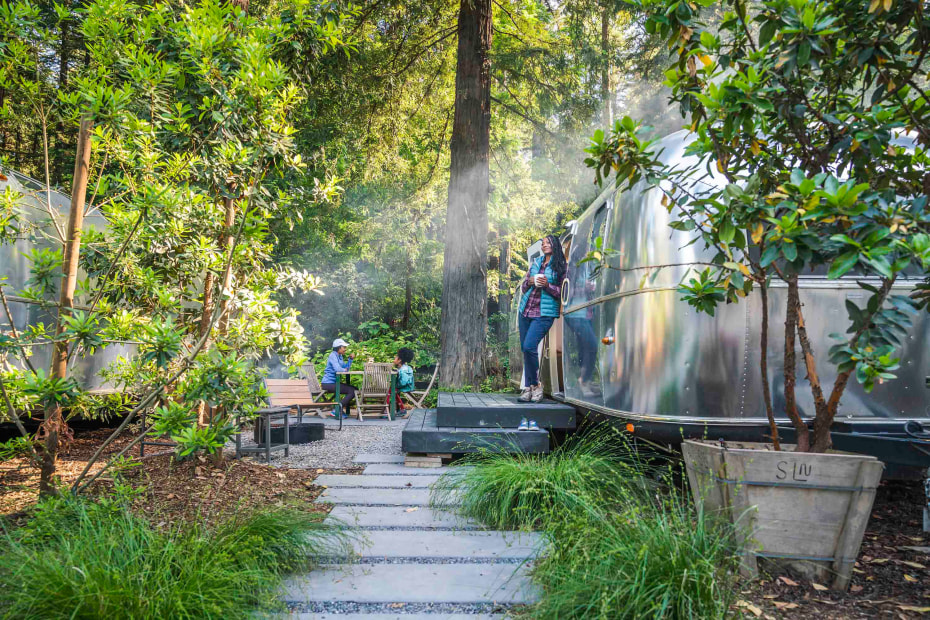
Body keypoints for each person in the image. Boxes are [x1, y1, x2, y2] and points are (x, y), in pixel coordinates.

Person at [518, 234, 567, 403]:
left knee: (529, 345)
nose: (545, 245)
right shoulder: (536, 263)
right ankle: (528, 388)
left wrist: (547, 285)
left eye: (548, 242)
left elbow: (563, 292)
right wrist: (530, 281)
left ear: (555, 245)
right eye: (543, 243)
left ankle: (536, 386)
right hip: (525, 310)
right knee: (526, 350)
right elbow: (524, 288)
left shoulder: (561, 266)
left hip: (544, 314)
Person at [321, 338, 356, 417]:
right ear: (339, 347)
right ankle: (336, 409)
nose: (345, 349)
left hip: (334, 382)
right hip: (328, 383)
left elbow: (345, 367)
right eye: (344, 347)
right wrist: (344, 370)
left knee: (355, 389)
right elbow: (338, 369)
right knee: (352, 391)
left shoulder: (339, 356)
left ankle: (338, 408)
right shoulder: (333, 355)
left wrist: (350, 359)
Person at [387, 347, 416, 417]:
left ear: (399, 360)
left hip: (406, 387)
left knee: (389, 391)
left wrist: (396, 385)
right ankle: (401, 409)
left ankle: (386, 409)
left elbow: (403, 382)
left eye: (395, 358)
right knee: (391, 390)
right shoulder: (402, 368)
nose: (394, 360)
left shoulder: (404, 370)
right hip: (404, 386)